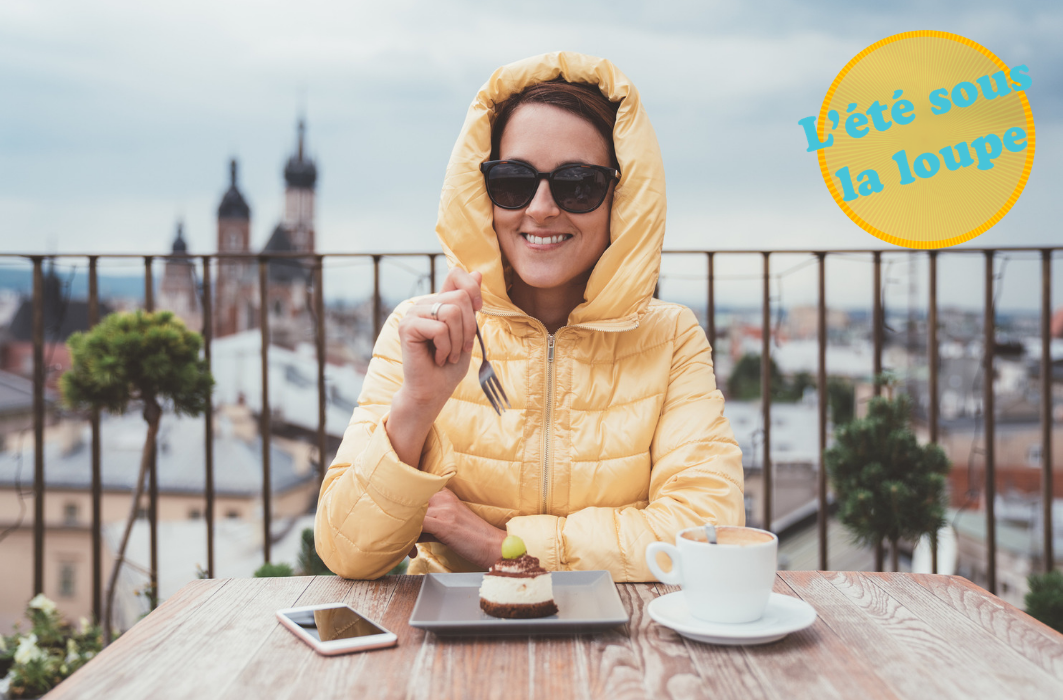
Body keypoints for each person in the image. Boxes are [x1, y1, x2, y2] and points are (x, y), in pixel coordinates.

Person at [315, 51, 744, 581]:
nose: (540, 207)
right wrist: (417, 405)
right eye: (513, 182)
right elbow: (347, 553)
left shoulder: (669, 337)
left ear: (623, 199)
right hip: (455, 647)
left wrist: (492, 543)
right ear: (483, 194)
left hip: (622, 650)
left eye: (578, 184)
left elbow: (707, 532)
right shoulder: (420, 331)